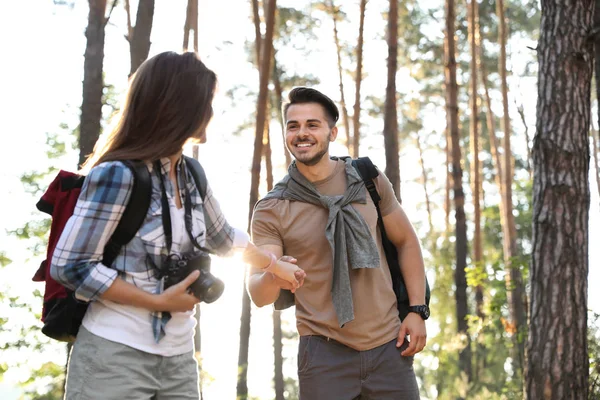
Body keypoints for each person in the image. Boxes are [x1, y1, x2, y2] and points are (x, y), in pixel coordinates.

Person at [50, 51, 305, 400]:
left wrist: (276, 268)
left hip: (178, 359)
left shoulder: (191, 174)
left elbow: (224, 239)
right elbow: (70, 266)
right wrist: (155, 301)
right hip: (113, 357)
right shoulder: (118, 175)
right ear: (179, 105)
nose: (211, 114)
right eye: (206, 103)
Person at [248, 87, 428, 399]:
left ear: (332, 132)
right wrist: (273, 273)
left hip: (389, 347)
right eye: (293, 126)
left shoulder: (368, 179)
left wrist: (417, 310)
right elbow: (259, 294)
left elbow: (407, 242)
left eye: (312, 125)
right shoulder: (272, 208)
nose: (302, 133)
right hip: (324, 355)